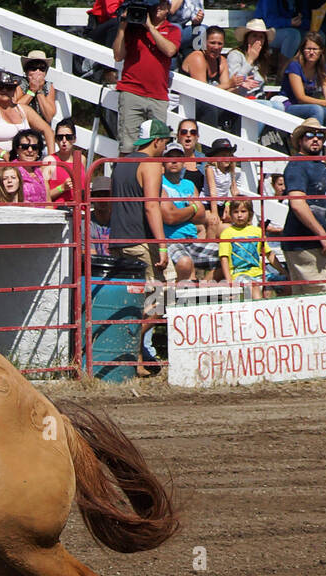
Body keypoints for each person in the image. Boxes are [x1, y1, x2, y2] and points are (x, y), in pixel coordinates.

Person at [110, 118, 171, 374]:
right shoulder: (151, 165)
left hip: (117, 240)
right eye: (165, 142)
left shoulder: (120, 163)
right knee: (161, 299)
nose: (166, 148)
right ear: (156, 141)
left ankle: (135, 358)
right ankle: (125, 346)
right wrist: (163, 245)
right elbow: (151, 205)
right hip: (141, 241)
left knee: (132, 302)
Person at [282, 117, 326, 294]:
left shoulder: (316, 165)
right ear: (300, 140)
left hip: (311, 242)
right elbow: (298, 204)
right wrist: (322, 234)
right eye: (309, 135)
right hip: (305, 242)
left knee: (306, 297)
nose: (315, 139)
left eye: (319, 136)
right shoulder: (297, 165)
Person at [112, 0, 179, 155]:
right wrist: (122, 27)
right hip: (131, 92)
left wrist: (149, 27)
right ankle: (125, 178)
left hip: (158, 96)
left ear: (168, 9)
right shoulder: (133, 27)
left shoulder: (172, 29)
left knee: (157, 146)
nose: (159, 8)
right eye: (156, 5)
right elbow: (118, 55)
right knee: (128, 146)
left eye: (163, 5)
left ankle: (150, 178)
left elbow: (170, 50)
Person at [281, 31, 326, 136]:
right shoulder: (294, 66)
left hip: (310, 108)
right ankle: (316, 145)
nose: (311, 52)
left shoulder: (324, 69)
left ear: (321, 51)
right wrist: (325, 103)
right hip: (290, 106)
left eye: (315, 49)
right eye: (308, 49)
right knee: (316, 109)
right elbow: (301, 98)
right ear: (302, 50)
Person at [0, 71, 54, 161]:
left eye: (9, 87)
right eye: (0, 87)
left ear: (15, 90)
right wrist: (3, 154)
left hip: (20, 163)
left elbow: (48, 130)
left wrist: (51, 159)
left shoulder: (24, 110)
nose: (4, 90)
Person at [159, 140, 204, 281]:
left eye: (178, 158)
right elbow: (170, 218)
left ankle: (206, 289)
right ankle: (176, 298)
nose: (174, 161)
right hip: (171, 240)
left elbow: (201, 217)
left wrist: (182, 212)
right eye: (169, 158)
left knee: (223, 255)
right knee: (185, 263)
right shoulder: (159, 183)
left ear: (184, 162)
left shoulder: (189, 184)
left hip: (192, 239)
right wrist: (193, 208)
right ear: (163, 162)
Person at [218, 199, 276, 298]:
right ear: (231, 214)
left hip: (259, 272)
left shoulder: (257, 231)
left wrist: (285, 273)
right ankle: (258, 311)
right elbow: (224, 259)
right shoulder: (227, 233)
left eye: (243, 211)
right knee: (255, 286)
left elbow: (269, 254)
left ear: (250, 213)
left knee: (284, 284)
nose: (239, 215)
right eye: (236, 212)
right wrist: (229, 282)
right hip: (239, 274)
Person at [228, 19, 272, 100]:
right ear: (247, 38)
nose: (258, 40)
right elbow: (234, 81)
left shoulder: (261, 58)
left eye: (261, 37)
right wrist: (250, 60)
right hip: (240, 99)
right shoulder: (235, 55)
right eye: (254, 35)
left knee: (278, 105)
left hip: (258, 98)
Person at [16, 50, 57, 126]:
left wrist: (39, 91)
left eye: (42, 68)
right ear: (26, 71)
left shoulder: (48, 86)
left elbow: (49, 116)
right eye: (33, 68)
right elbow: (16, 110)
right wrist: (32, 91)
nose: (38, 71)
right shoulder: (19, 84)